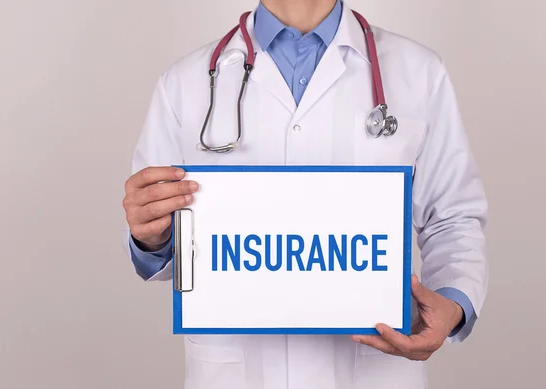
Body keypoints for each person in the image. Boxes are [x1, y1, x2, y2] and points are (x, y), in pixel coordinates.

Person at [122, 0, 489, 387]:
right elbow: (159, 237)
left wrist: (453, 301)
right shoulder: (185, 83)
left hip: (373, 370)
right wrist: (151, 236)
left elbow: (452, 218)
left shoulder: (418, 72)